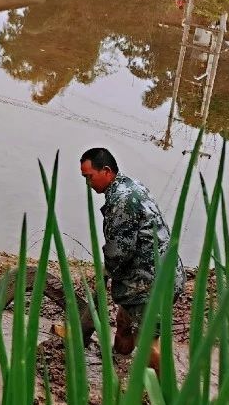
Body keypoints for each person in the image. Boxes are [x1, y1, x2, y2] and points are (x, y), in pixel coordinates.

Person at [79, 147, 184, 372]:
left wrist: (106, 271)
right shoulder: (130, 185)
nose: (88, 184)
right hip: (156, 272)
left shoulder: (122, 201)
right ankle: (118, 367)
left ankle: (168, 397)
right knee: (124, 324)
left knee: (149, 345)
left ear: (106, 171)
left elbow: (120, 252)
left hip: (151, 284)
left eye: (89, 177)